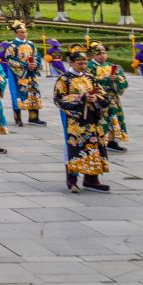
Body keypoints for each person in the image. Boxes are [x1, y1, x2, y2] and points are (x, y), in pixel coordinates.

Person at [54, 44, 110, 194]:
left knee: (94, 146)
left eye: (85, 63)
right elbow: (59, 99)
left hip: (92, 119)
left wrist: (96, 98)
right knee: (74, 148)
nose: (83, 66)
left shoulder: (90, 77)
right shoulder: (64, 79)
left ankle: (91, 179)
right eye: (80, 63)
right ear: (71, 63)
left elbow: (104, 95)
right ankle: (72, 180)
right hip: (76, 122)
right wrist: (81, 98)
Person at [87, 41, 129, 153]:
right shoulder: (89, 67)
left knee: (113, 118)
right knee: (100, 119)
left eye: (104, 53)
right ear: (93, 54)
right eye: (99, 53)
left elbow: (123, 80)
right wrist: (106, 81)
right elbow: (88, 82)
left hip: (113, 99)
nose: (102, 55)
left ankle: (112, 141)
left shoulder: (112, 66)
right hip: (98, 98)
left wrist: (117, 79)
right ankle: (97, 141)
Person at [2, 22, 42, 126]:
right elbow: (9, 59)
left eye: (25, 32)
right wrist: (25, 65)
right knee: (17, 95)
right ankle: (18, 118)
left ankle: (33, 118)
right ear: (16, 33)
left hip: (30, 74)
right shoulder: (12, 45)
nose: (23, 34)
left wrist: (34, 64)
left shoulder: (31, 44)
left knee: (33, 94)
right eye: (21, 32)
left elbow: (37, 56)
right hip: (18, 75)